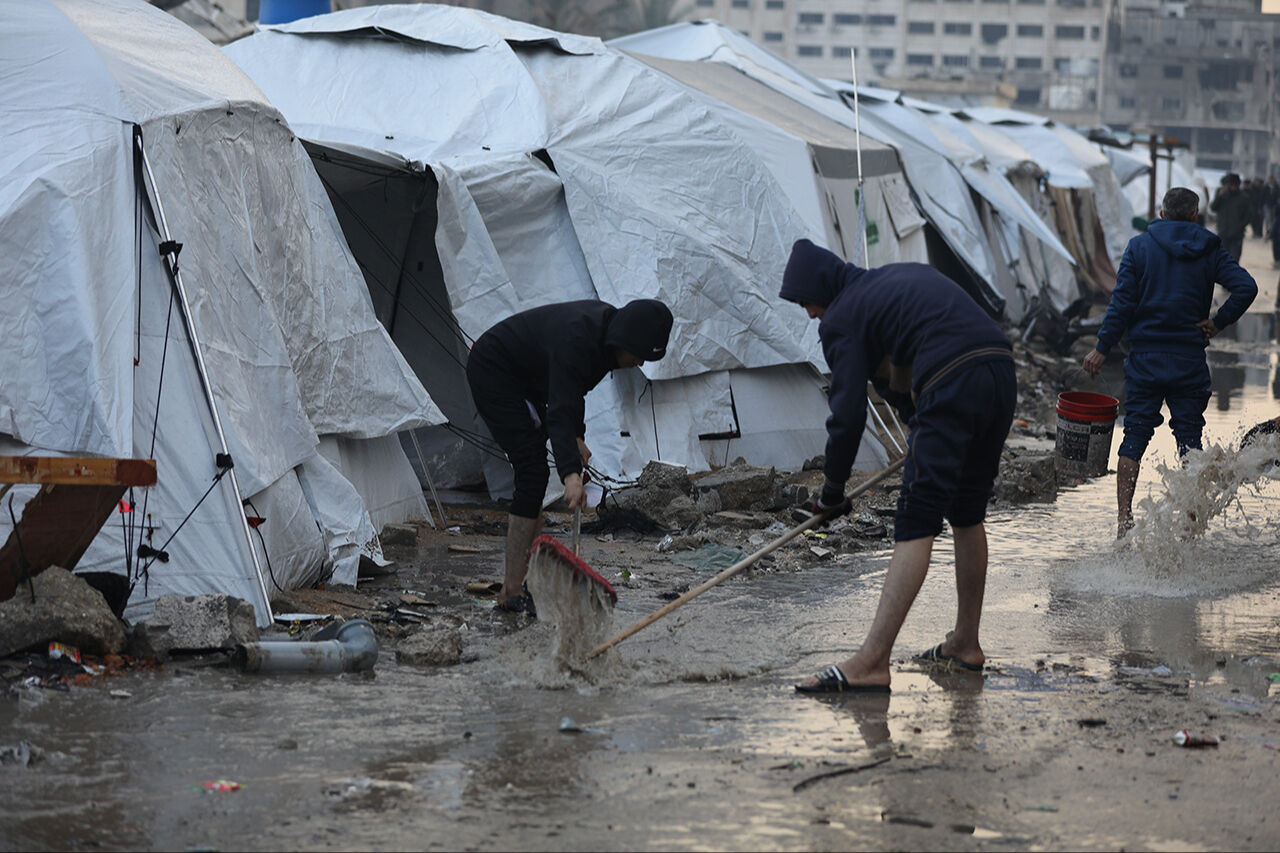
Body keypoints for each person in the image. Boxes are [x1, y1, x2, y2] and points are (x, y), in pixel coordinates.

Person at [782, 239, 1017, 694]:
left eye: (807, 303)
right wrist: (919, 427)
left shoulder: (843, 316)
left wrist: (831, 491)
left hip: (951, 376)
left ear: (821, 291)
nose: (810, 315)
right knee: (967, 511)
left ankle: (871, 662)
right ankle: (965, 644)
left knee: (916, 517)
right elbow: (898, 378)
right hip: (999, 370)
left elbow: (847, 414)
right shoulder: (893, 284)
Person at [466, 298, 673, 614]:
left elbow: (572, 391)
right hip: (495, 371)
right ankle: (511, 592)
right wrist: (571, 476)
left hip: (528, 378)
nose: (640, 364)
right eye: (639, 355)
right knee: (532, 470)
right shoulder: (579, 337)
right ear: (627, 339)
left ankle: (525, 583)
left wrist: (577, 436)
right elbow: (560, 409)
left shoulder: (605, 341)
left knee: (534, 474)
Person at [1082, 187, 1257, 537]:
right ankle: (1190, 527)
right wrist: (1218, 322)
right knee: (1190, 442)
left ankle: (1124, 522)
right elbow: (1246, 287)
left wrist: (1101, 347)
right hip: (1189, 360)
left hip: (1145, 359)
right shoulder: (1210, 249)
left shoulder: (1139, 247)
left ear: (1161, 214)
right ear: (1194, 215)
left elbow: (1121, 305)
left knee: (1133, 439)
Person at [1209, 173, 1251, 261]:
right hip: (1223, 232)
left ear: (1239, 184)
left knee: (1235, 259)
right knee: (1222, 259)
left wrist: (1240, 226)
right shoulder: (1221, 193)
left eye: (1235, 184)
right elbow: (1213, 208)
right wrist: (1219, 196)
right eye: (1230, 184)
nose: (1232, 187)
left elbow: (1248, 216)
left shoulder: (1244, 197)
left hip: (1237, 234)